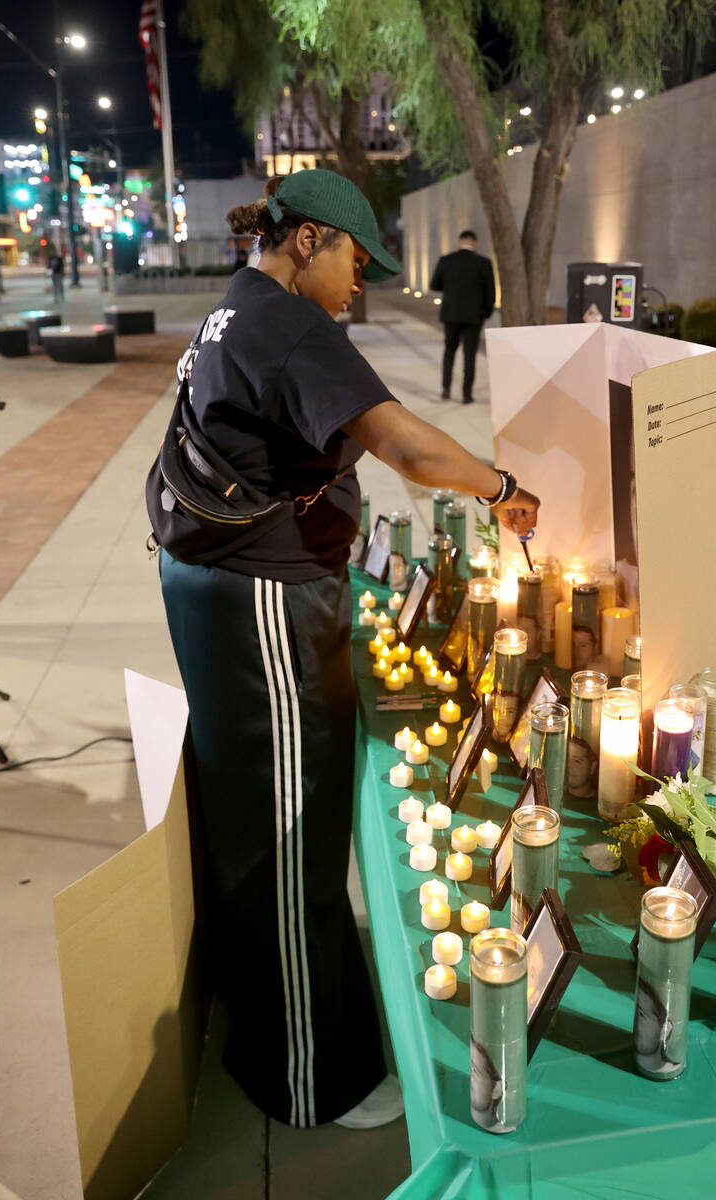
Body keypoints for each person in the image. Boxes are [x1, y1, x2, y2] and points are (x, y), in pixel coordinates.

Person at [152, 169, 540, 1132]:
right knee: (290, 835)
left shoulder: (233, 311)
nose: (357, 285)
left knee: (259, 819)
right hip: (260, 604)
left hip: (225, 586)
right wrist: (501, 489)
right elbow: (407, 449)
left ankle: (272, 1025)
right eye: (354, 262)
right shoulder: (289, 325)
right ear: (307, 240)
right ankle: (307, 1078)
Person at [429, 230, 496, 404]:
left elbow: (434, 285)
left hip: (450, 314)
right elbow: (491, 293)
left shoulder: (446, 260)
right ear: (475, 243)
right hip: (474, 317)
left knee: (449, 352)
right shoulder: (483, 263)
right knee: (469, 355)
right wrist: (485, 313)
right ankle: (467, 394)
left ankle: (445, 389)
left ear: (459, 242)